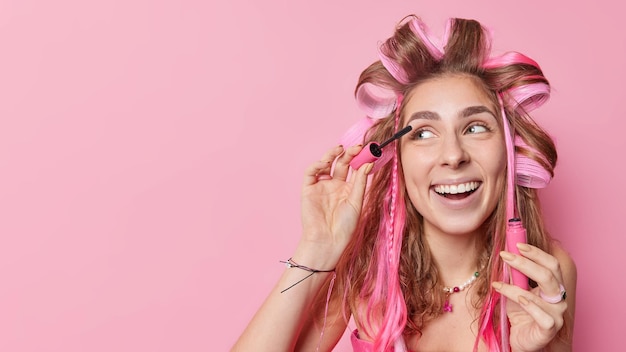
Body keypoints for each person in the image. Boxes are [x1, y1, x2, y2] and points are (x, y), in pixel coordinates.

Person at [232, 15, 576, 352]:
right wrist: (317, 246)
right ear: (397, 159)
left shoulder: (545, 272)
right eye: (424, 133)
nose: (453, 155)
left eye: (475, 127)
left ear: (508, 149)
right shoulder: (365, 268)